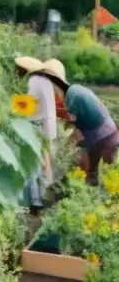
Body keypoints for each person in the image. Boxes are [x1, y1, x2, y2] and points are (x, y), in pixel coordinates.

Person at [36, 59, 119, 185]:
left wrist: (63, 148)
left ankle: (79, 183)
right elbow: (74, 124)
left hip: (103, 136)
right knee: (94, 169)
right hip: (106, 133)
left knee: (98, 167)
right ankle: (89, 186)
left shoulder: (72, 97)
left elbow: (71, 124)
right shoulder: (75, 91)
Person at [15, 56, 60, 207]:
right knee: (44, 163)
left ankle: (34, 201)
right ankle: (46, 198)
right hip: (47, 124)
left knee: (33, 163)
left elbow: (26, 106)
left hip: (36, 125)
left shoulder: (32, 82)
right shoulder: (45, 81)